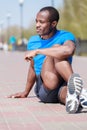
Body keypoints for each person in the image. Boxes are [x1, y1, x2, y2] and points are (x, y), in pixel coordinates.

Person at [8, 6, 87, 113]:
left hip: (63, 83)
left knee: (69, 96)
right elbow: (32, 67)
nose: (37, 25)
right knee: (55, 49)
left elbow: (69, 50)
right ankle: (81, 92)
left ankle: (76, 97)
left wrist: (38, 51)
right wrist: (25, 92)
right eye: (36, 21)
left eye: (41, 22)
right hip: (45, 87)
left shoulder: (65, 36)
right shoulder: (33, 41)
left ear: (53, 24)